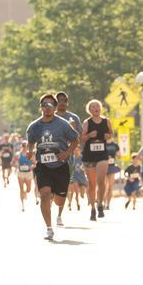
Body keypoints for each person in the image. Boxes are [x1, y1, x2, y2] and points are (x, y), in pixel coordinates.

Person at [25, 93, 79, 240]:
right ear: (40, 107)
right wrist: (30, 151)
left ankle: (56, 195)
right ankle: (49, 228)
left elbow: (75, 140)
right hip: (43, 166)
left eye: (50, 105)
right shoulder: (34, 126)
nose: (47, 108)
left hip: (60, 166)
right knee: (44, 195)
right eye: (44, 105)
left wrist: (67, 153)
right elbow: (30, 142)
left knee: (59, 200)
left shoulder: (63, 124)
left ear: (55, 108)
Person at [81, 99, 112, 221]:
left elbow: (111, 133)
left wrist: (108, 136)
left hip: (102, 155)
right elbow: (81, 138)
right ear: (90, 110)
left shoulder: (106, 121)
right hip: (89, 156)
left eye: (97, 106)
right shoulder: (87, 122)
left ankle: (100, 204)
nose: (96, 108)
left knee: (101, 180)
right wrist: (89, 136)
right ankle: (93, 208)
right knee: (92, 184)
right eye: (93, 107)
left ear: (100, 108)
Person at [54, 92, 82, 223]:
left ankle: (59, 215)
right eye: (59, 100)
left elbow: (79, 137)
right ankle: (47, 210)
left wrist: (74, 131)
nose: (62, 102)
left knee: (62, 187)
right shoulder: (50, 117)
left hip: (67, 158)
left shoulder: (73, 117)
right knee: (49, 188)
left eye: (64, 100)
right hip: (50, 157)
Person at [16, 142, 34, 212]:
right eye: (23, 146)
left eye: (26, 146)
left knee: (29, 189)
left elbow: (33, 162)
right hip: (21, 172)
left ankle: (25, 193)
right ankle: (22, 205)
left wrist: (31, 166)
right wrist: (18, 164)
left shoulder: (30, 154)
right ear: (22, 146)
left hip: (28, 173)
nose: (25, 147)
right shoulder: (19, 154)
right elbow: (15, 162)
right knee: (21, 189)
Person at [104, 140, 120, 210]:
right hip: (103, 166)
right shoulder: (102, 143)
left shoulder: (115, 145)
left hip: (111, 167)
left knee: (110, 187)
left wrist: (118, 154)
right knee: (105, 186)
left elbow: (119, 155)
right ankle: (102, 203)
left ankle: (108, 204)